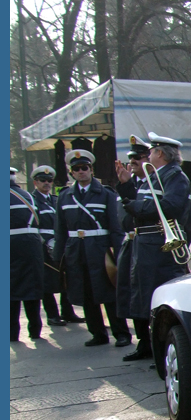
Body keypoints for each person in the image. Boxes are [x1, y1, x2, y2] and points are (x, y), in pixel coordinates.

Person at [113, 132, 191, 361]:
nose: (147, 155)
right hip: (144, 243)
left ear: (159, 153)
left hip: (159, 244)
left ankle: (162, 348)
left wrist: (136, 206)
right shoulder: (155, 175)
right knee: (141, 295)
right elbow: (139, 202)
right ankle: (146, 345)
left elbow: (171, 207)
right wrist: (127, 186)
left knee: (157, 295)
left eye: (151, 151)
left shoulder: (175, 176)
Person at [53, 149, 131, 347]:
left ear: (91, 170)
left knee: (108, 291)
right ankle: (98, 333)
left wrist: (119, 254)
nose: (81, 172)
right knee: (85, 292)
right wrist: (58, 256)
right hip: (75, 251)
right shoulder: (64, 196)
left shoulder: (105, 193)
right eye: (76, 169)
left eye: (84, 168)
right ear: (71, 172)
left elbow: (115, 227)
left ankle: (121, 333)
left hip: (100, 250)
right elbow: (60, 229)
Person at [113, 137, 153, 358]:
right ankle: (142, 343)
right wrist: (126, 185)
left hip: (146, 244)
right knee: (132, 294)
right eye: (131, 158)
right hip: (131, 242)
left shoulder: (153, 182)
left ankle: (150, 342)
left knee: (145, 294)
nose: (133, 162)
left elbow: (141, 212)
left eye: (138, 157)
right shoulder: (133, 184)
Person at [30, 164, 79, 326]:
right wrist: (47, 241)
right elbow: (33, 225)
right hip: (42, 246)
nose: (47, 183)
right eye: (42, 180)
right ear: (35, 182)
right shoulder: (32, 200)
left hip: (60, 244)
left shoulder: (56, 200)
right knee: (48, 281)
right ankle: (52, 315)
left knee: (66, 277)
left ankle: (67, 312)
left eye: (49, 180)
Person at [10, 167, 45, 342]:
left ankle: (12, 333)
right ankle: (35, 330)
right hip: (32, 243)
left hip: (10, 244)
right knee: (32, 285)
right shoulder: (28, 196)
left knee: (10, 290)